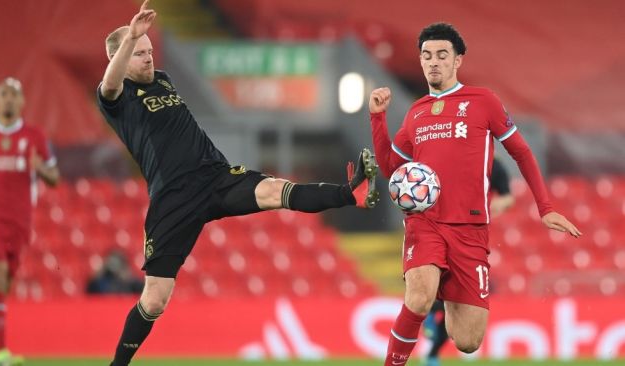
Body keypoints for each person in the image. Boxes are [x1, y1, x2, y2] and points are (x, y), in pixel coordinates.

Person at [97, 2, 379, 364]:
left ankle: (347, 193)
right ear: (118, 57)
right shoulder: (116, 99)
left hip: (215, 175)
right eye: (138, 53)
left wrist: (137, 42)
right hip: (174, 198)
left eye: (149, 50)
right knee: (154, 300)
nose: (148, 58)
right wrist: (129, 38)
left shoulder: (163, 79)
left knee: (274, 190)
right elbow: (109, 83)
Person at [367, 22, 581, 366]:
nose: (433, 62)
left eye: (441, 55)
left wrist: (545, 208)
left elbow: (522, 152)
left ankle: (445, 295)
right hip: (426, 222)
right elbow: (393, 169)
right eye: (426, 56)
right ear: (420, 62)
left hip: (470, 230)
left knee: (468, 341)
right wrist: (377, 118)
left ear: (457, 61)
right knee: (419, 298)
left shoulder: (484, 101)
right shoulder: (416, 112)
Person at [0, 77, 59, 366]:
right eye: (3, 94)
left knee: (4, 282)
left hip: (20, 220)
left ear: (22, 102)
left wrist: (39, 169)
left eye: (13, 95)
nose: (8, 99)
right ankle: (1, 354)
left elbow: (54, 178)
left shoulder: (35, 136)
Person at [422, 158, 514, 366]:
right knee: (439, 282)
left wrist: (500, 203)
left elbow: (508, 197)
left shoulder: (493, 165)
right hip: (441, 229)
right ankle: (429, 315)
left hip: (472, 236)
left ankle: (432, 348)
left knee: (457, 303)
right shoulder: (450, 155)